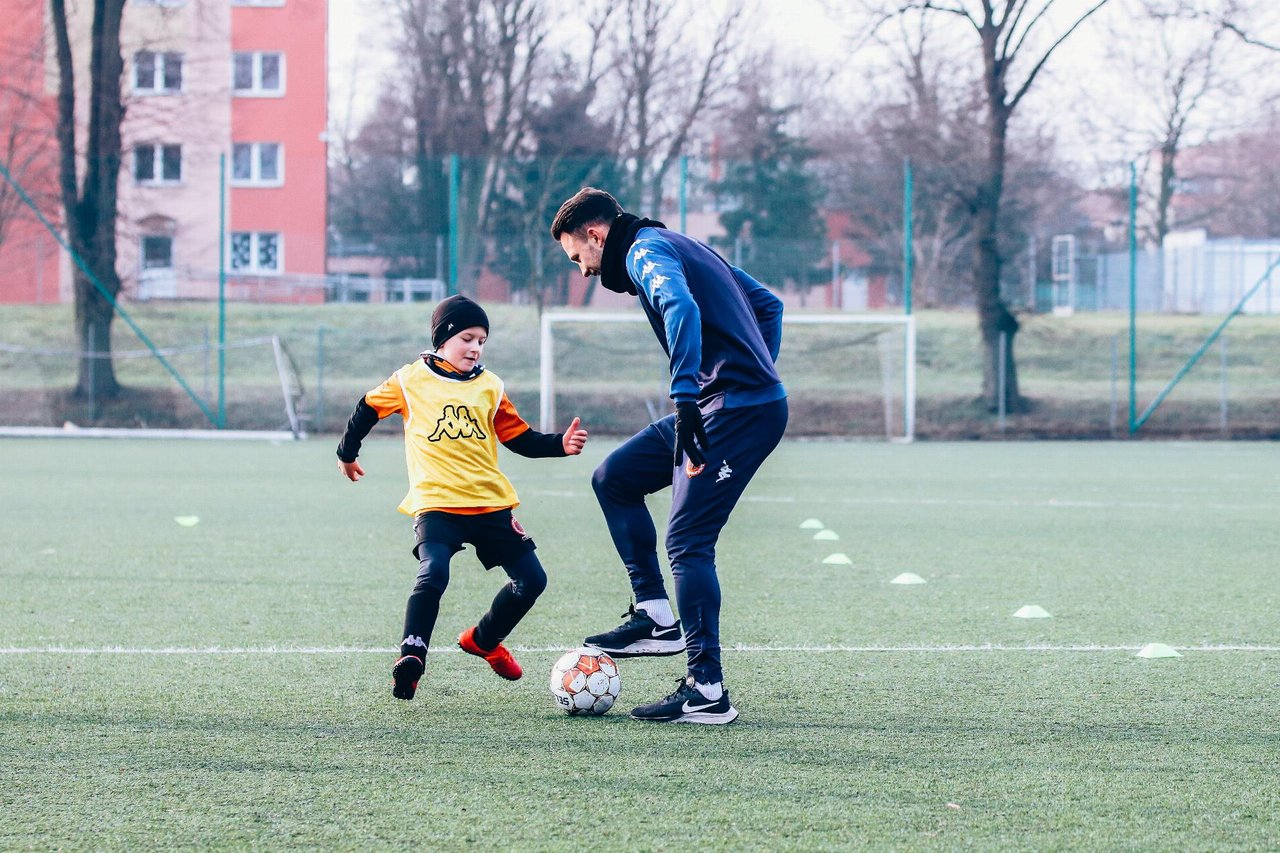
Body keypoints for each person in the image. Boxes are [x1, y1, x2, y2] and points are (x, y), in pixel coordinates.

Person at [551, 188, 787, 725]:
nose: (583, 270)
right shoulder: (679, 243)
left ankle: (707, 691)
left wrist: (692, 397)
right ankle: (656, 617)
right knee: (614, 478)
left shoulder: (643, 251)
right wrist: (746, 372)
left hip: (733, 410)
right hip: (720, 401)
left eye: (577, 257)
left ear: (596, 236)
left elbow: (680, 306)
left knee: (687, 542)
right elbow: (768, 305)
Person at [335, 294, 589, 701]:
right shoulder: (410, 380)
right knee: (434, 572)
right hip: (436, 504)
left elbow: (519, 438)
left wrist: (560, 444)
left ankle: (484, 640)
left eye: (482, 341)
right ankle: (412, 657)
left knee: (532, 581)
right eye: (467, 338)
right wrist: (347, 453)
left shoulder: (491, 386)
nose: (475, 348)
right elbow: (366, 407)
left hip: (490, 504)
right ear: (443, 339)